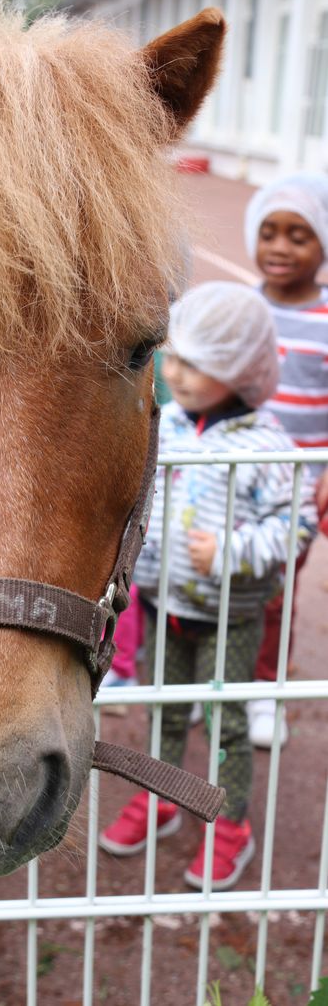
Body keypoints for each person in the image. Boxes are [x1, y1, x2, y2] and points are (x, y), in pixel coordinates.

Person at [99, 282, 317, 891]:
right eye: (175, 356)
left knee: (225, 725)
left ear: (242, 371)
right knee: (162, 710)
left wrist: (232, 552)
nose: (177, 372)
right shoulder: (162, 424)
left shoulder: (266, 445)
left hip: (230, 615)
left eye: (201, 364)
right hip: (160, 602)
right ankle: (163, 797)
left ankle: (230, 825)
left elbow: (295, 524)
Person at [244, 173, 328, 748]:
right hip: (234, 482)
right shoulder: (241, 310)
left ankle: (264, 688)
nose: (280, 247)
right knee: (223, 582)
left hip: (295, 490)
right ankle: (216, 679)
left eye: (299, 236)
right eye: (270, 233)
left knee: (276, 592)